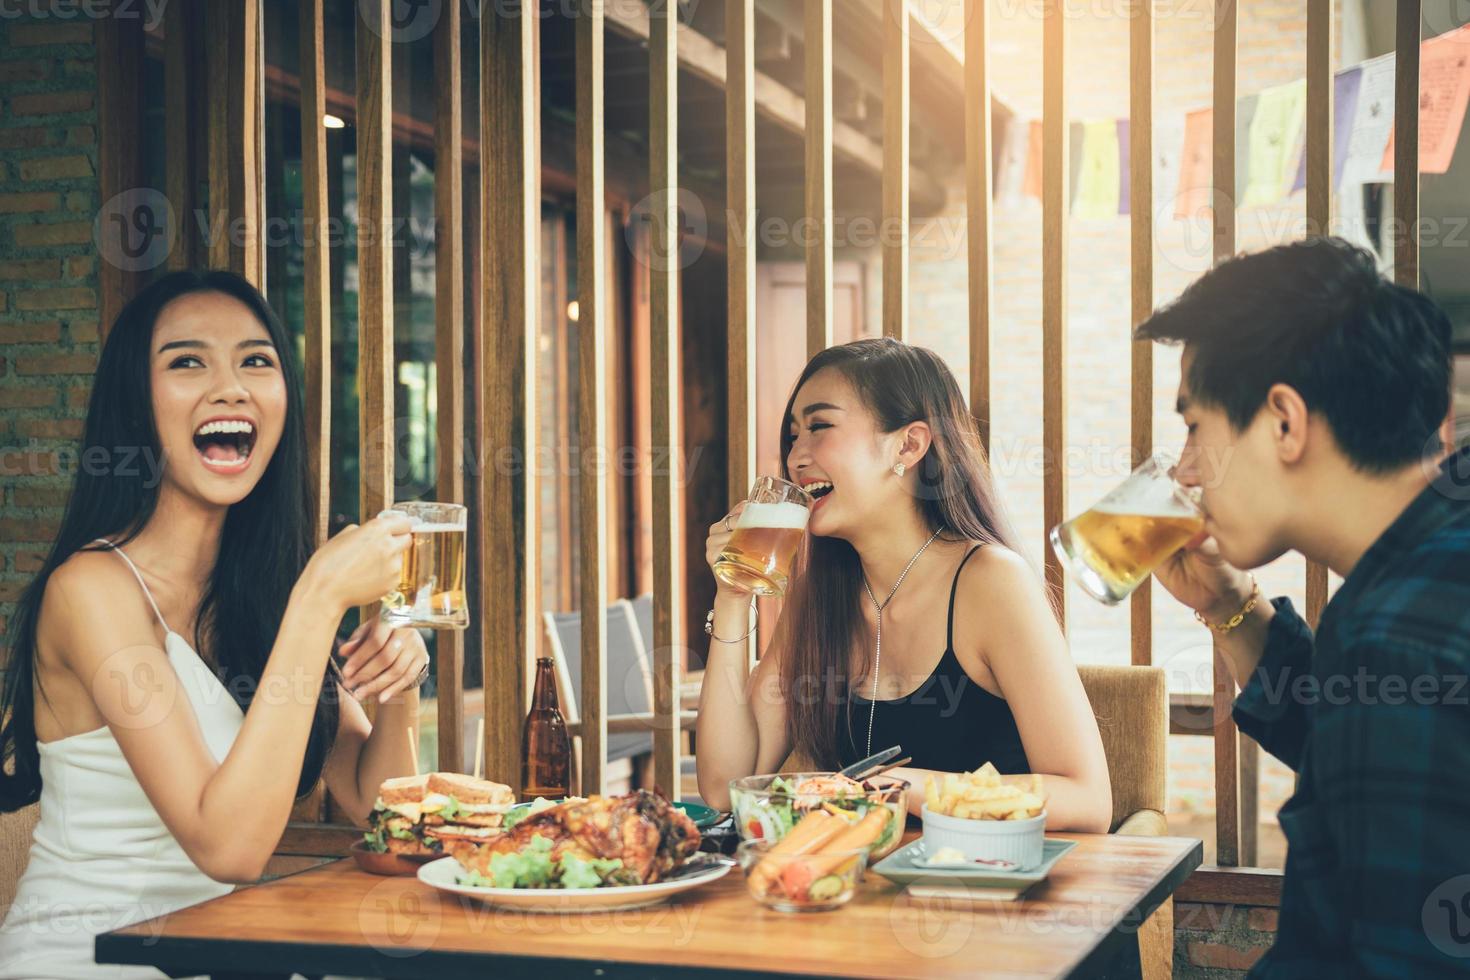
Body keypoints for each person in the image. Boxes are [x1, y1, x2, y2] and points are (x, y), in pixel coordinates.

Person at [0, 271, 430, 979]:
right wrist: (320, 596)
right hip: (85, 960)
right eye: (187, 361)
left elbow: (379, 809)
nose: (230, 387)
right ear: (136, 404)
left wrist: (400, 679)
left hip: (210, 955)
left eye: (256, 361)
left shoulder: (258, 594)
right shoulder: (91, 592)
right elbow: (227, 849)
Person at [1139, 237, 1470, 975]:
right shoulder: (1432, 562)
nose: (1186, 472)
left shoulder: (1397, 634)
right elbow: (1364, 755)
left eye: (1194, 427)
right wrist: (1230, 605)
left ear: (1284, 420)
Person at [696, 338, 1112, 831]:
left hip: (986, 890)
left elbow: (1087, 801)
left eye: (820, 427)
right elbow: (726, 786)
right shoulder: (816, 596)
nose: (795, 458)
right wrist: (732, 596)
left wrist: (895, 788)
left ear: (909, 446)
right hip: (853, 894)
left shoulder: (992, 582)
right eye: (792, 437)